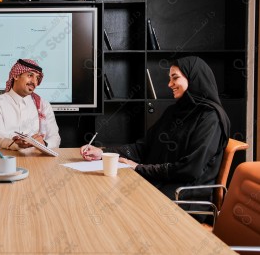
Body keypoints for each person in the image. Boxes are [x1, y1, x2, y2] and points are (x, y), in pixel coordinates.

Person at [81, 56, 230, 202]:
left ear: (193, 78)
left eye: (175, 78)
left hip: (183, 197)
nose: (169, 84)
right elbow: (143, 147)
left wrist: (139, 168)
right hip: (160, 186)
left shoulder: (211, 118)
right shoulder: (174, 111)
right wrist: (103, 153)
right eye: (170, 79)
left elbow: (190, 169)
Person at [0, 58, 60, 150]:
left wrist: (43, 143)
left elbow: (55, 138)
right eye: (30, 75)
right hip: (7, 158)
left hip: (37, 159)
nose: (34, 82)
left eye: (37, 78)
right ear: (16, 76)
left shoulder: (43, 105)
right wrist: (15, 143)